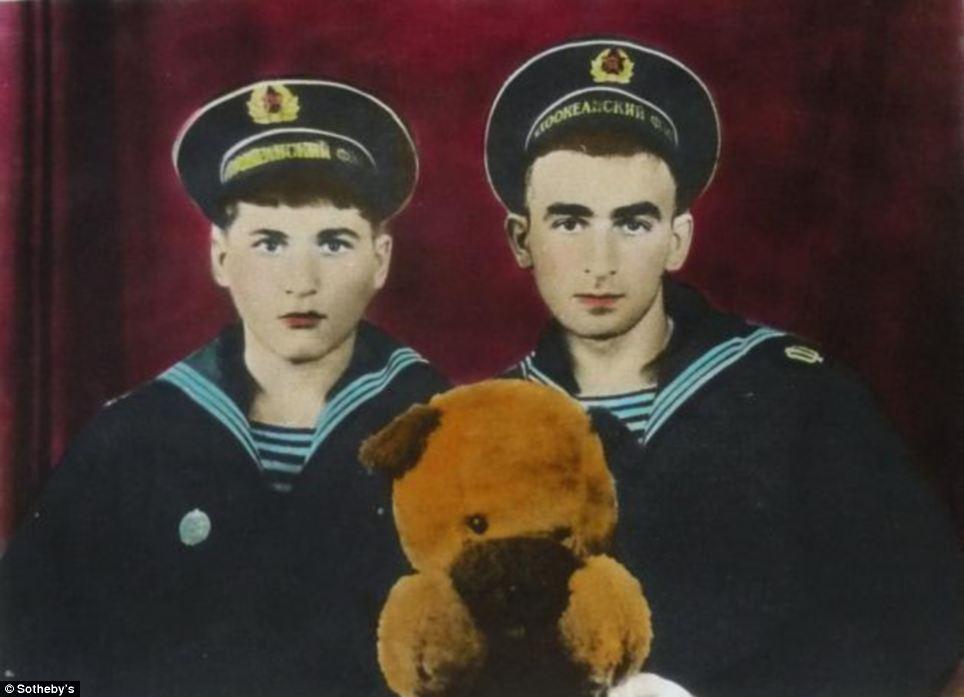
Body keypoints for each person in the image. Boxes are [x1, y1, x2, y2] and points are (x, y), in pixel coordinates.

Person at [485, 37, 964, 696]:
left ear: (677, 239)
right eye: (569, 222)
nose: (600, 262)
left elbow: (920, 612)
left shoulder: (797, 394)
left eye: (633, 223)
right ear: (521, 238)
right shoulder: (481, 426)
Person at [0, 79, 447, 696]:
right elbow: (23, 667)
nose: (301, 280)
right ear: (219, 256)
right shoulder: (131, 439)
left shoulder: (446, 427)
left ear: (380, 259)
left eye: (333, 242)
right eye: (269, 242)